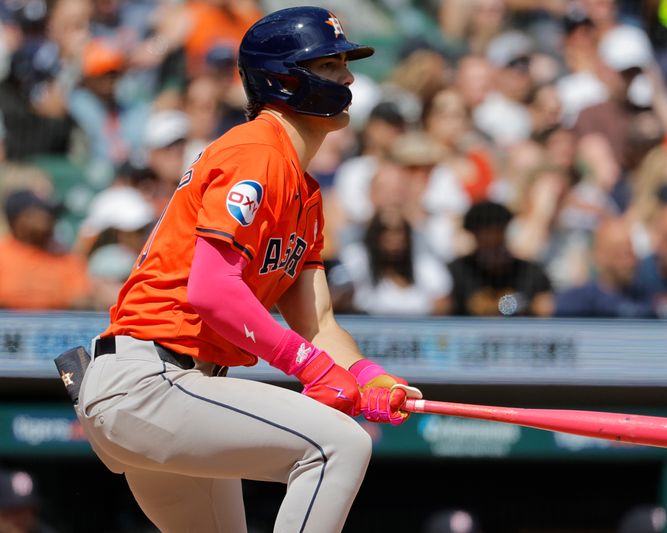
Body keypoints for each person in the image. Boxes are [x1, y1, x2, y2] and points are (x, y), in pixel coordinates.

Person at [75, 7, 417, 533]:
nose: (348, 78)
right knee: (338, 445)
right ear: (284, 80)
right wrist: (310, 368)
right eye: (329, 66)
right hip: (151, 380)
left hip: (178, 392)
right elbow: (213, 291)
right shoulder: (258, 151)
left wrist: (367, 375)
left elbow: (319, 324)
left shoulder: (304, 191)